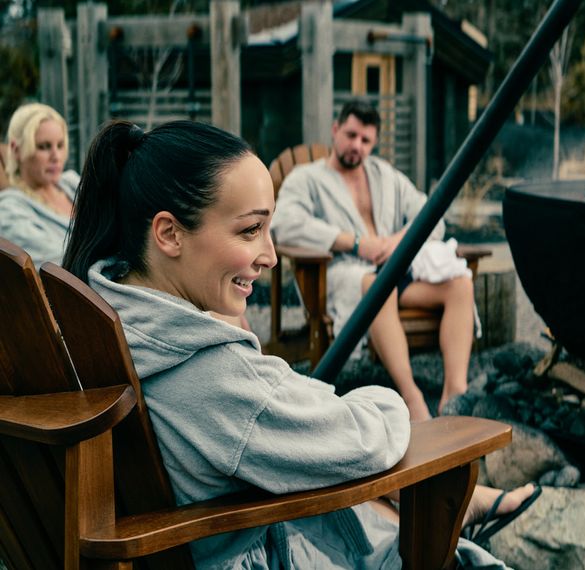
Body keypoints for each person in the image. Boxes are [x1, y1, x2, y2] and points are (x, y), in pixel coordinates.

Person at [62, 119, 536, 569]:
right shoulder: (215, 375)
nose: (269, 255)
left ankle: (461, 509)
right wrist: (389, 402)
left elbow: (272, 405)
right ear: (169, 233)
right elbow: (362, 441)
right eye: (250, 230)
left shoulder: (102, 314)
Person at [273, 100, 476, 421]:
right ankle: (411, 398)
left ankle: (454, 394)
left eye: (365, 140)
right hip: (345, 274)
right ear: (335, 130)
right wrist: (355, 243)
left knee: (460, 284)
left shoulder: (386, 176)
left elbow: (432, 215)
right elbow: (284, 224)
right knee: (377, 286)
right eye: (351, 135)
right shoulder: (307, 178)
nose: (357, 145)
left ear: (374, 142)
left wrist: (398, 243)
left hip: (394, 270)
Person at [0, 102, 79, 266]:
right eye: (44, 147)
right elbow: (57, 267)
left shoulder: (72, 183)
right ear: (16, 150)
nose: (56, 156)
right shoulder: (10, 211)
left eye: (60, 145)